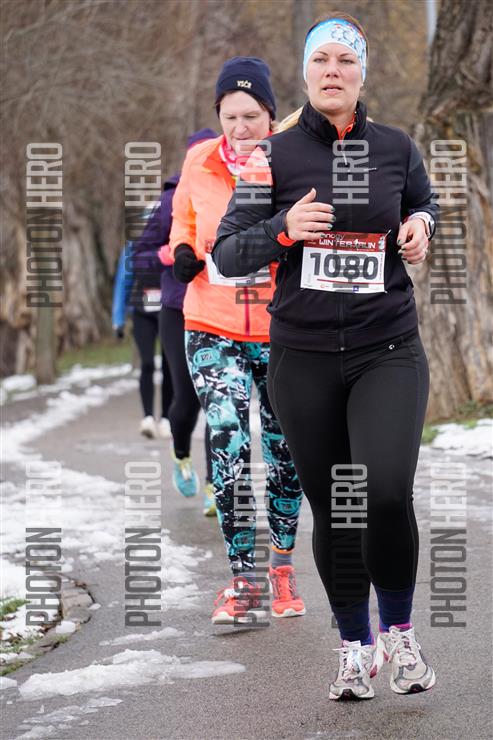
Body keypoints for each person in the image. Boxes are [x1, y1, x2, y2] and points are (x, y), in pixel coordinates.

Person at [213, 14, 438, 697]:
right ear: (306, 74)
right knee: (337, 506)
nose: (332, 71)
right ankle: (353, 647)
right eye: (321, 60)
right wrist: (282, 228)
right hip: (304, 357)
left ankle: (399, 635)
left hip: (386, 349)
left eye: (345, 60)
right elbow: (228, 253)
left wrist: (419, 225)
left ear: (361, 73)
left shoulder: (396, 147)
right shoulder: (271, 158)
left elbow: (424, 204)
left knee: (386, 489)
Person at [169, 57, 306, 624]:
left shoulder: (291, 160)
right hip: (209, 320)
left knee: (284, 448)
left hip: (280, 325)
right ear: (218, 116)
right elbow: (183, 218)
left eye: (251, 116)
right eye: (230, 116)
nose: (241, 127)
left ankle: (281, 568)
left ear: (271, 115)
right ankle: (242, 579)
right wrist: (182, 249)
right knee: (227, 435)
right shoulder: (199, 159)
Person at [132, 129, 217, 506]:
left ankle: (216, 485)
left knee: (219, 399)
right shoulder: (169, 200)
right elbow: (138, 257)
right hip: (178, 310)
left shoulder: (232, 190)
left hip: (220, 310)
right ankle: (181, 453)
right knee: (188, 397)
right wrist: (165, 255)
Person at [112, 236, 173, 439]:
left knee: (168, 364)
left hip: (168, 311)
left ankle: (166, 418)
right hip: (142, 312)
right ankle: (147, 417)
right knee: (147, 363)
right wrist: (118, 319)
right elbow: (123, 282)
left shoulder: (173, 239)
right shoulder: (134, 246)